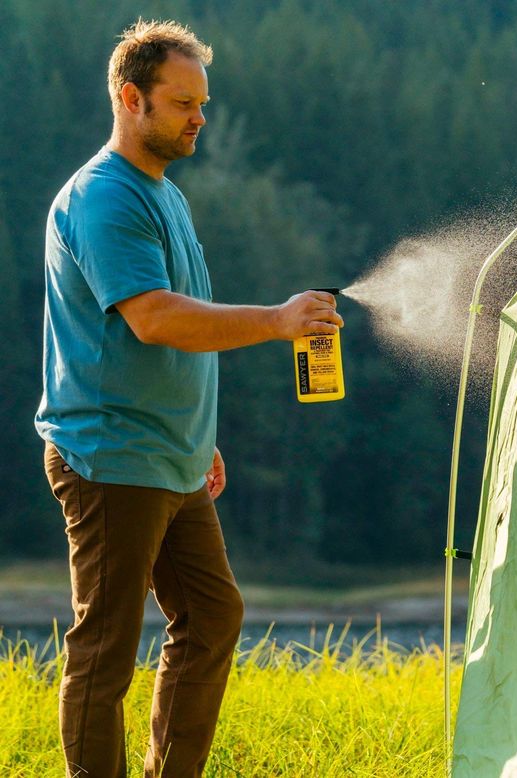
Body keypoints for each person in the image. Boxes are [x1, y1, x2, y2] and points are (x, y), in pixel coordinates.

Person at [34, 18, 343, 778]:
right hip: (111, 459)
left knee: (211, 616)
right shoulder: (105, 199)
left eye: (202, 101)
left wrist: (197, 433)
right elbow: (155, 317)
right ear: (131, 99)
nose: (200, 116)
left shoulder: (162, 194)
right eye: (183, 103)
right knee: (105, 650)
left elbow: (179, 324)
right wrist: (275, 321)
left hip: (170, 456)